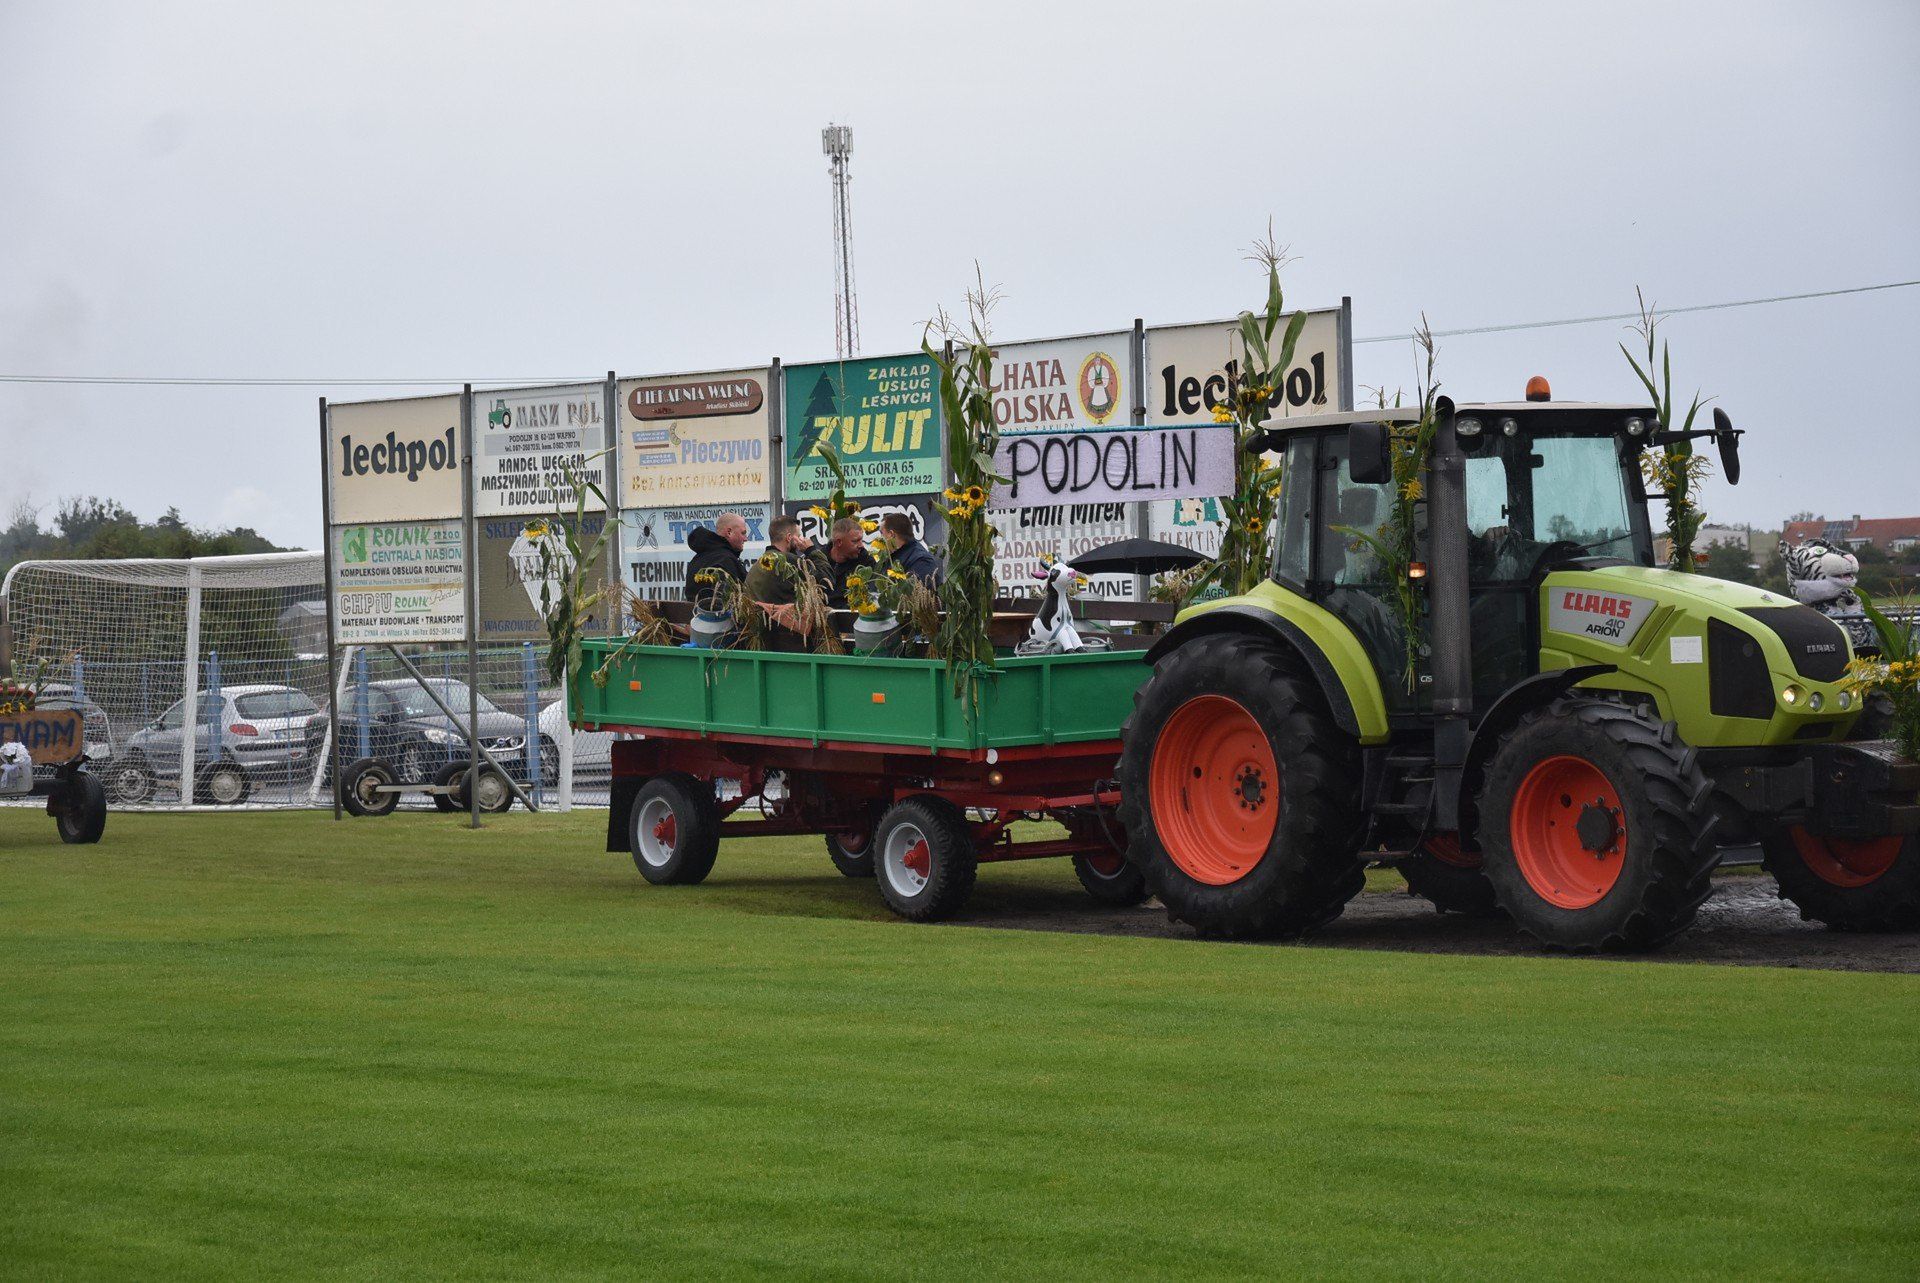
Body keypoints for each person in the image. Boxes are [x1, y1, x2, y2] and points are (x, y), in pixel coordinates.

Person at [682, 511, 748, 608]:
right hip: (720, 621)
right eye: (743, 533)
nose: (746, 538)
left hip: (694, 619)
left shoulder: (696, 560)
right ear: (729, 532)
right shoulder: (726, 560)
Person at [821, 517, 877, 606]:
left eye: (861, 540)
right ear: (839, 542)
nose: (861, 545)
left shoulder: (867, 563)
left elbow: (870, 596)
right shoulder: (818, 560)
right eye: (855, 541)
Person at [882, 512, 941, 587]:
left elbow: (917, 594)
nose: (881, 539)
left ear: (891, 534)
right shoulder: (898, 555)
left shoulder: (921, 560)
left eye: (882, 534)